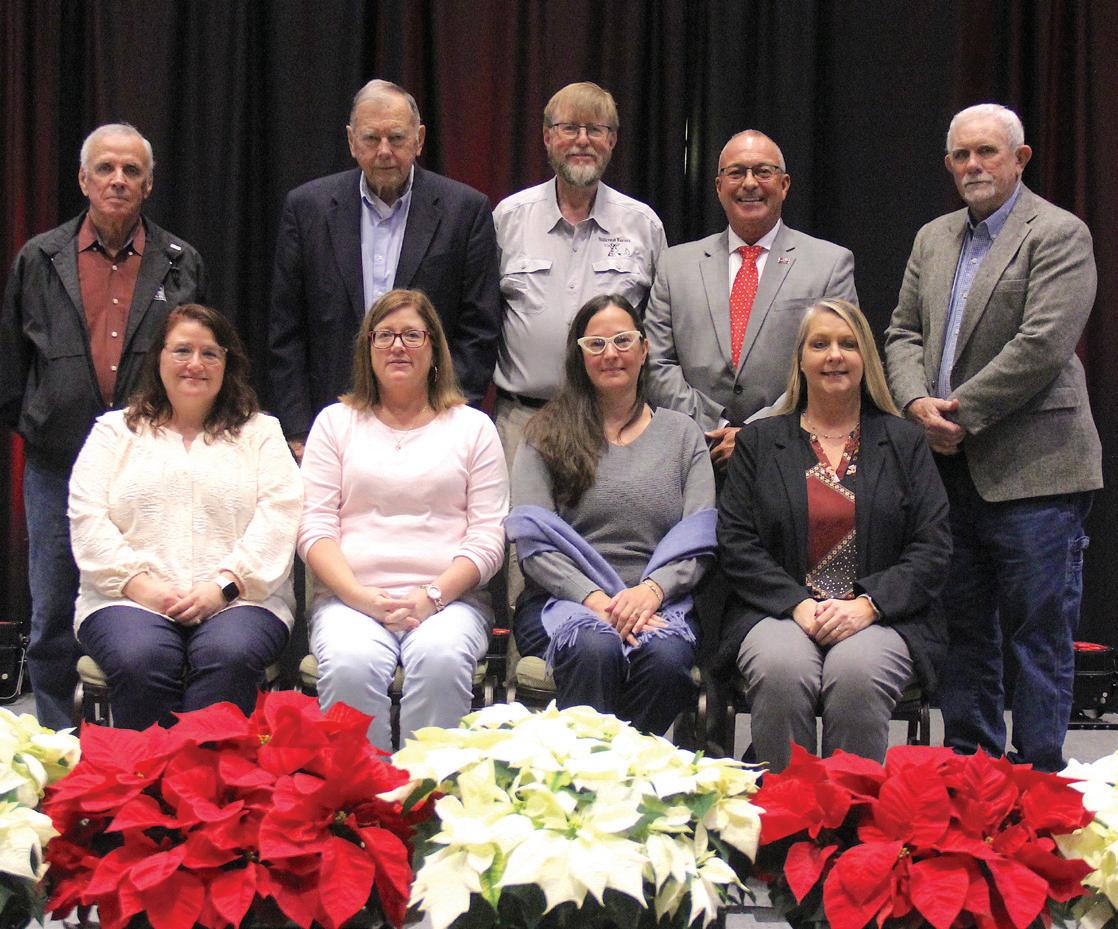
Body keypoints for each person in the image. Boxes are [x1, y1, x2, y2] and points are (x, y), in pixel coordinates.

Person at [884, 103, 1101, 772]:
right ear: (949, 164)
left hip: (1037, 469)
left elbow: (1044, 343)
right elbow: (901, 333)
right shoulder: (933, 237)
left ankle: (1040, 774)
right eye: (962, 155)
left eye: (987, 152)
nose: (973, 165)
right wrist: (915, 404)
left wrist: (959, 412)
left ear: (1020, 158)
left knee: (1039, 631)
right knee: (964, 627)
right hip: (947, 471)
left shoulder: (1059, 232)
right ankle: (970, 769)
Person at [0, 123, 206, 729]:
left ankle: (146, 737)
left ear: (149, 184)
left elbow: (200, 362)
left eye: (131, 171)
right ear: (83, 179)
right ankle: (57, 740)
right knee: (51, 609)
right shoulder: (39, 257)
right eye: (106, 169)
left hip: (150, 467)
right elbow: (11, 364)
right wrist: (41, 422)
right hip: (58, 465)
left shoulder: (180, 262)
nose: (118, 180)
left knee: (149, 599)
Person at [717, 299, 949, 772]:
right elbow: (737, 542)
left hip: (881, 618)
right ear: (800, 361)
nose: (834, 356)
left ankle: (851, 815)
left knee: (856, 673)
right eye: (819, 344)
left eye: (848, 344)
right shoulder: (758, 442)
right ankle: (787, 814)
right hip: (778, 612)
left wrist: (868, 605)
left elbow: (932, 547)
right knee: (782, 670)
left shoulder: (904, 442)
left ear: (866, 358)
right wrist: (797, 605)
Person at [68, 305, 300, 729]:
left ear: (227, 363)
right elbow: (88, 520)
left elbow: (279, 517)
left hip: (242, 600)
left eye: (209, 353)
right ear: (159, 357)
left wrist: (222, 587)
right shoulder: (113, 432)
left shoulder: (261, 432)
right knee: (142, 658)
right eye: (182, 350)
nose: (195, 363)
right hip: (125, 599)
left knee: (227, 655)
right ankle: (149, 772)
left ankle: (205, 771)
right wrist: (143, 588)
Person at [298, 289, 508, 750]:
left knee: (441, 661)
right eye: (385, 335)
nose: (398, 346)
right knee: (350, 665)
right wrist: (360, 597)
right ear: (367, 348)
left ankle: (427, 791)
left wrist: (433, 595)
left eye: (412, 335)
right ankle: (364, 791)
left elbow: (489, 537)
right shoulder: (334, 423)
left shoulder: (474, 428)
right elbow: (314, 529)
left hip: (450, 602)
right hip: (349, 600)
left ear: (434, 348)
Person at [507, 295, 716, 736]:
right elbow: (535, 546)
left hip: (659, 605)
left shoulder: (684, 435)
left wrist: (651, 593)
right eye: (596, 344)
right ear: (579, 355)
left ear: (644, 349)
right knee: (595, 647)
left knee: (667, 661)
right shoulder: (544, 434)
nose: (611, 354)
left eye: (623, 340)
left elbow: (698, 540)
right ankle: (588, 771)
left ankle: (628, 769)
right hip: (562, 602)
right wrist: (598, 602)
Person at [270, 79, 501, 460]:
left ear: (419, 139)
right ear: (351, 140)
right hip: (329, 427)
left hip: (434, 429)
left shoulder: (465, 211)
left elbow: (478, 330)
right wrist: (298, 430)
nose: (383, 151)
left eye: (396, 138)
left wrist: (449, 420)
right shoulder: (307, 208)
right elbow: (287, 330)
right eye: (370, 138)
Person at [645, 130, 858, 472]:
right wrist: (716, 428)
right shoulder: (674, 265)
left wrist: (755, 434)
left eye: (762, 171)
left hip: (790, 460)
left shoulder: (830, 264)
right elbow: (656, 362)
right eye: (736, 173)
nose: (749, 183)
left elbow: (835, 365)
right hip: (695, 458)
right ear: (718, 187)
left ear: (784, 184)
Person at [492, 81, 666, 470]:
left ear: (612, 140)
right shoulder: (508, 219)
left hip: (613, 424)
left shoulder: (643, 226)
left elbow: (660, 332)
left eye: (596, 129)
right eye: (570, 128)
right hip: (522, 422)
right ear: (547, 137)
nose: (582, 140)